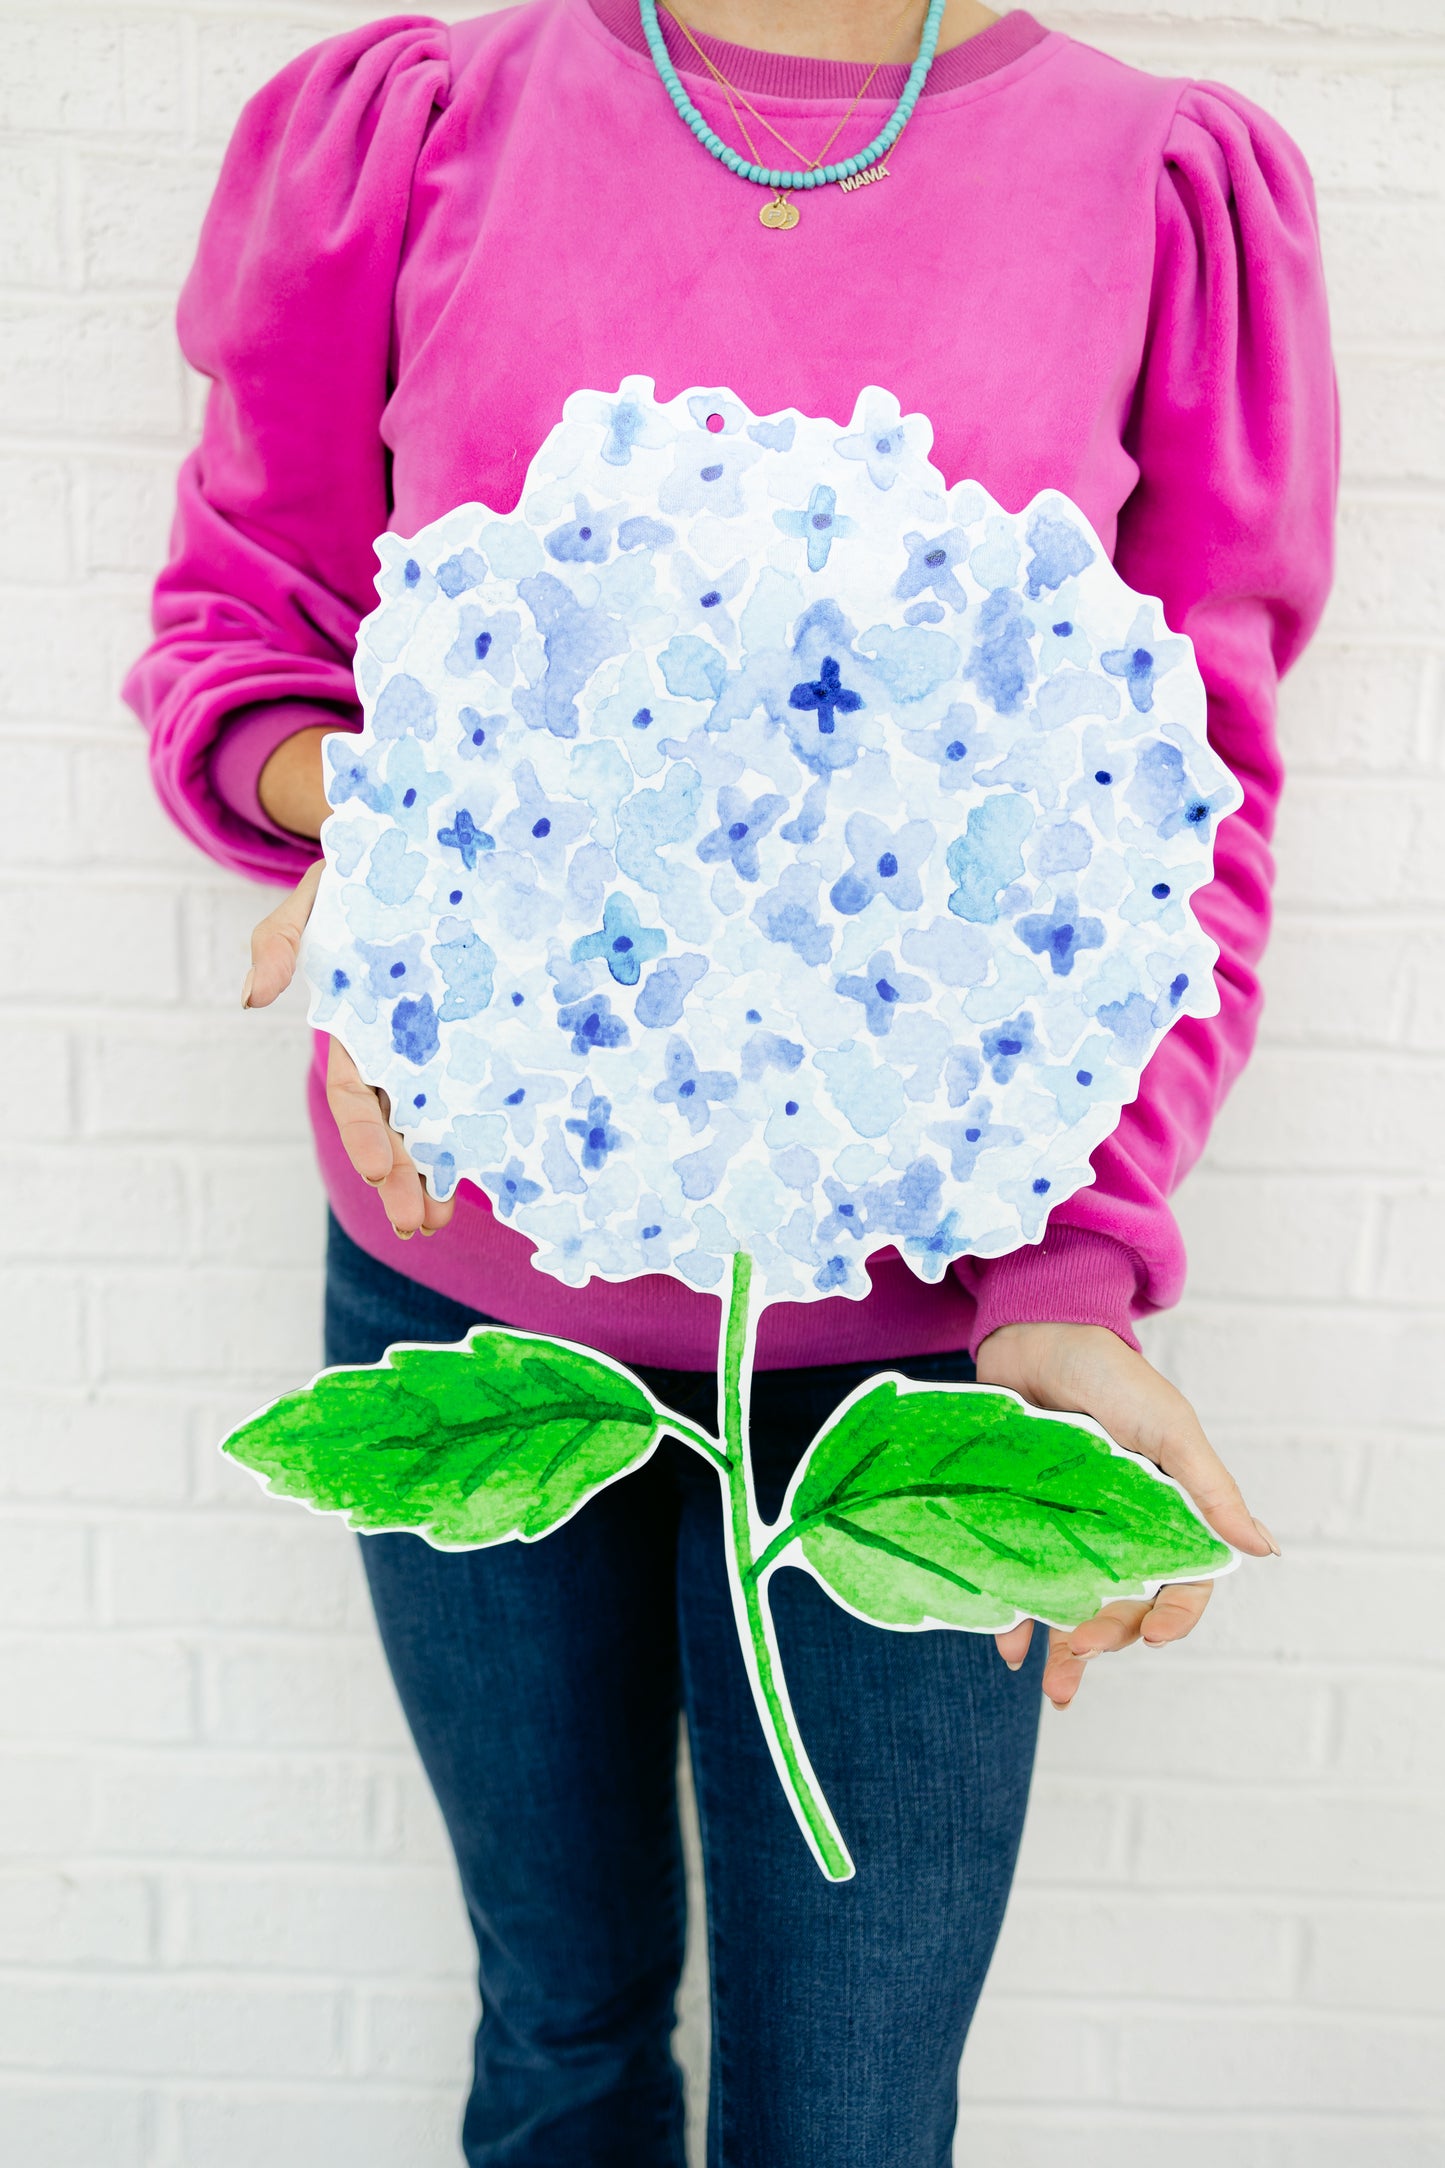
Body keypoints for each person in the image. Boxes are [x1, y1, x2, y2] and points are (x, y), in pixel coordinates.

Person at [125, 2, 1336, 2160]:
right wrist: (412, 839)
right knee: (566, 2040)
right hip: (466, 1285)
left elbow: (1191, 793)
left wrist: (1079, 1268)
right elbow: (262, 617)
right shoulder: (418, 130)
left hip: (943, 1339)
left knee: (849, 2116)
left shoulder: (1152, 182)